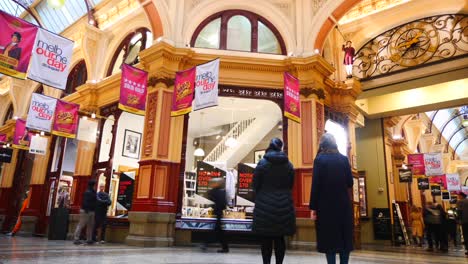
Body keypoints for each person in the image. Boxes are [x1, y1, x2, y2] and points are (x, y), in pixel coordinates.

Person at [310, 133, 353, 264]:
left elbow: (315, 185)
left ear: (322, 145)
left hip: (325, 207)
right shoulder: (344, 159)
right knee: (344, 238)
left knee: (329, 241)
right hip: (343, 205)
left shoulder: (319, 160)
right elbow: (350, 183)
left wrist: (313, 208)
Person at [252, 138, 295, 264]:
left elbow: (255, 185)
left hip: (264, 206)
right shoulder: (289, 164)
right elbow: (291, 185)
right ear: (281, 148)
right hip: (284, 206)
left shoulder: (262, 163)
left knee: (266, 239)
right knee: (279, 238)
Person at [206, 177, 229, 253]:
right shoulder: (221, 191)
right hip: (219, 214)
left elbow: (219, 203)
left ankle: (206, 243)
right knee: (219, 231)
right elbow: (223, 204)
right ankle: (224, 247)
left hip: (218, 214)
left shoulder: (216, 192)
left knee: (218, 231)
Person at [73, 179, 97, 245]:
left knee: (90, 225)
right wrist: (87, 209)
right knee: (81, 224)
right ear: (93, 185)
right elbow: (85, 202)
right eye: (95, 185)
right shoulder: (88, 192)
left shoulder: (92, 192)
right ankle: (76, 239)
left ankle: (89, 239)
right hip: (86, 211)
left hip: (91, 210)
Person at [457, 192, 468, 256]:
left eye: (459, 196)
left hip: (464, 221)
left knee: (466, 234)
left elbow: (459, 211)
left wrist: (458, 220)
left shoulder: (460, 202)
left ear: (461, 196)